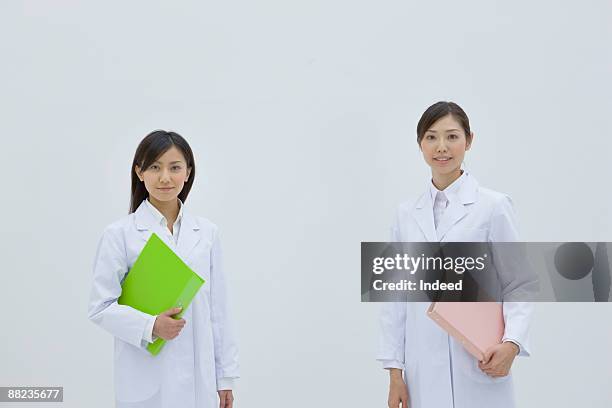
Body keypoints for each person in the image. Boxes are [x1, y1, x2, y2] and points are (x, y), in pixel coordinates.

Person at [377, 102, 533, 408]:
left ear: (469, 140)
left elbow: (520, 282)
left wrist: (512, 343)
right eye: (431, 137)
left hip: (477, 363)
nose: (442, 147)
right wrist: (395, 372)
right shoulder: (406, 214)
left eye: (452, 136)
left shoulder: (493, 207)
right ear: (420, 143)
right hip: (422, 372)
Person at [88, 130, 239, 408]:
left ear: (188, 172)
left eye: (175, 167)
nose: (165, 177)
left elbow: (218, 312)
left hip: (199, 384)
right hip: (146, 380)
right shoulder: (120, 234)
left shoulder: (206, 233)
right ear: (139, 172)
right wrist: (150, 325)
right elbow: (101, 307)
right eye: (155, 167)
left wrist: (225, 377)